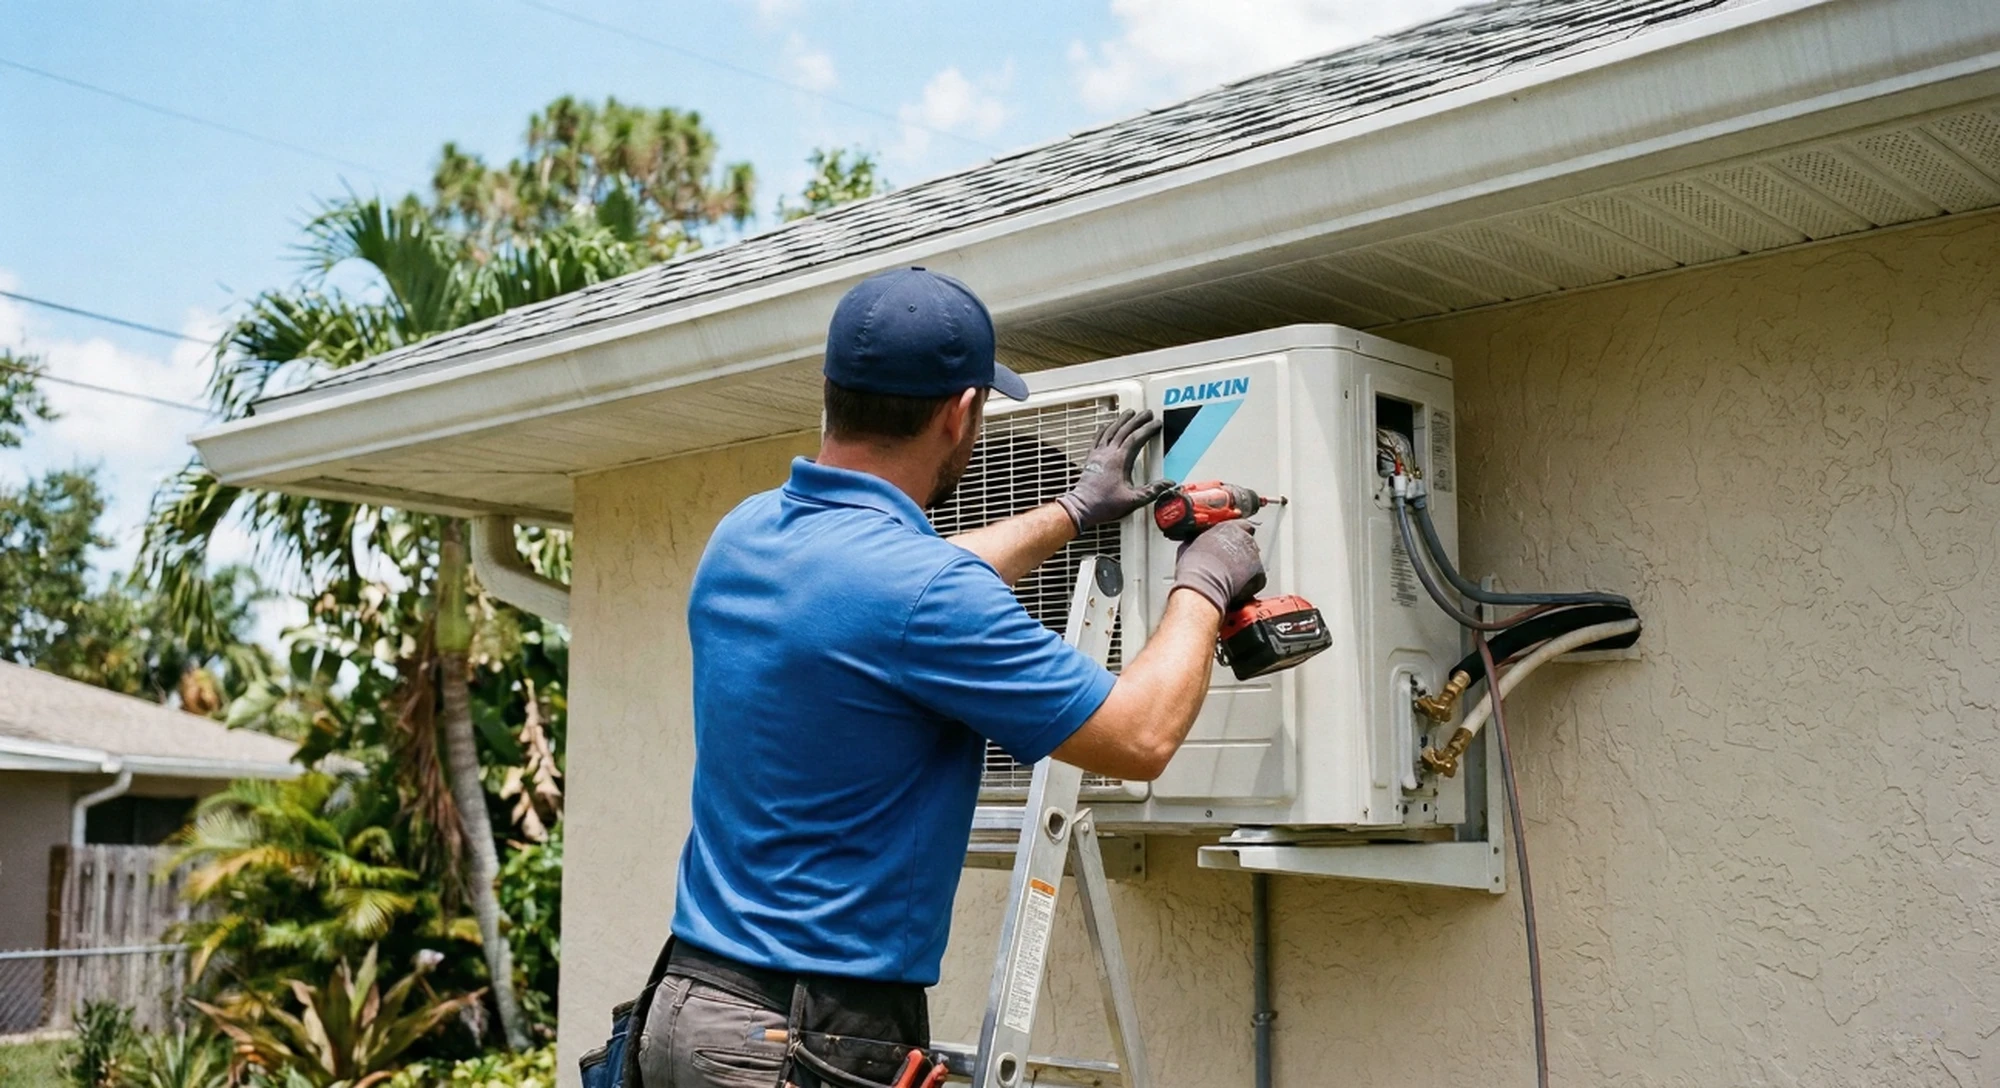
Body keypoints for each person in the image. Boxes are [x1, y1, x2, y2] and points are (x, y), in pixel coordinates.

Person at [635, 267, 1264, 1088]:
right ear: (962, 411)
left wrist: (1072, 512)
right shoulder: (921, 592)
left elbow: (906, 585)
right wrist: (1204, 583)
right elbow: (1139, 736)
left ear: (832, 393)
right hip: (802, 1038)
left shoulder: (746, 533)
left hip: (688, 1008)